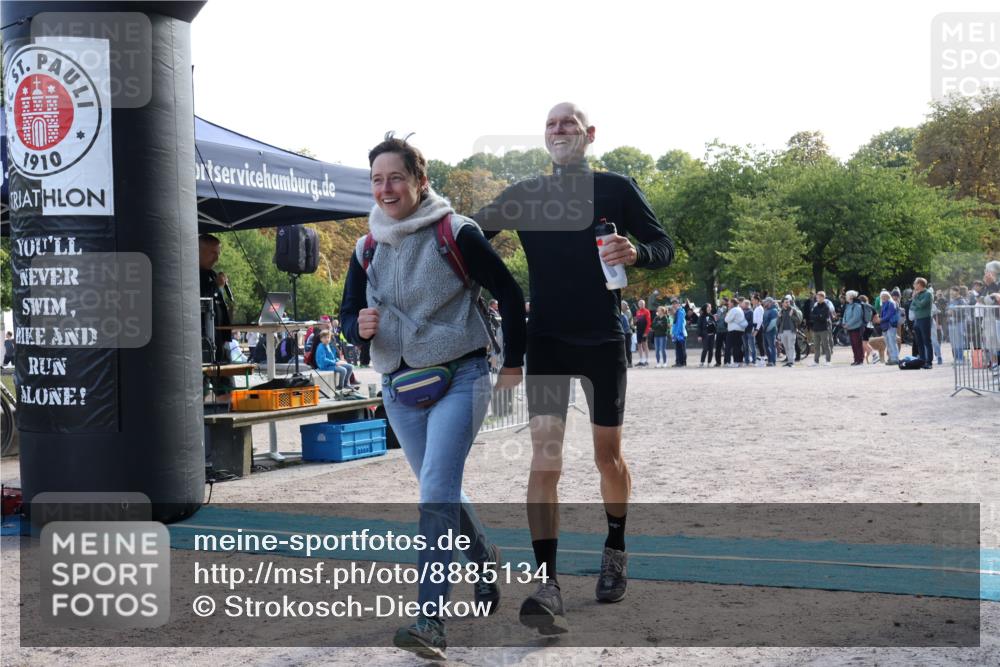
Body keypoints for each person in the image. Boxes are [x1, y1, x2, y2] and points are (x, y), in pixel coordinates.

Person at [474, 102, 674, 634]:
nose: (559, 130)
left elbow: (664, 246)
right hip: (547, 341)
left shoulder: (617, 188)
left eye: (568, 123)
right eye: (550, 124)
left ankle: (615, 549)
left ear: (588, 134)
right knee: (545, 460)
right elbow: (466, 238)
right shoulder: (527, 194)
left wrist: (638, 252)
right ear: (546, 138)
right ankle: (548, 582)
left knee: (608, 457)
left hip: (603, 339)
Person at [340, 134, 527, 660]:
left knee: (435, 492)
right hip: (399, 387)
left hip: (462, 375)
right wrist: (360, 326)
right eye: (377, 179)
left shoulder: (456, 231)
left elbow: (509, 293)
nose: (386, 188)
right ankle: (484, 553)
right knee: (436, 487)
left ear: (420, 180)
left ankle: (430, 619)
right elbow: (348, 312)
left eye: (395, 177)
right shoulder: (366, 246)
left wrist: (512, 363)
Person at [198, 234, 234, 365]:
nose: (217, 258)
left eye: (218, 253)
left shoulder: (212, 274)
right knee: (204, 381)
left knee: (228, 381)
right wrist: (216, 286)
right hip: (204, 342)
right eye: (213, 253)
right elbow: (200, 299)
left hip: (220, 339)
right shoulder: (190, 273)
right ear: (198, 251)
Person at [910, 277, 934, 369]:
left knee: (926, 341)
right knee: (919, 342)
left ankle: (929, 362)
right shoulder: (918, 294)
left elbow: (921, 305)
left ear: (919, 284)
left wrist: (915, 298)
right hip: (917, 320)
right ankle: (922, 361)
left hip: (925, 319)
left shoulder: (928, 294)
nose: (914, 285)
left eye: (915, 283)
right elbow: (912, 307)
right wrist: (916, 301)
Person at [810, 291, 834, 366]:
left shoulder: (826, 307)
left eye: (819, 297)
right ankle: (816, 361)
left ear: (823, 297)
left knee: (826, 345)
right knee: (816, 346)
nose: (817, 298)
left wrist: (817, 316)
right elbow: (812, 316)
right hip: (816, 328)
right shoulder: (816, 307)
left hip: (824, 329)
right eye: (817, 297)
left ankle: (828, 361)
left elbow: (823, 317)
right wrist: (818, 316)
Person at [776, 295, 801, 367]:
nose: (788, 303)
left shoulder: (793, 310)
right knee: (786, 347)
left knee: (791, 346)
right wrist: (779, 317)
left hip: (791, 331)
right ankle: (789, 361)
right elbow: (777, 323)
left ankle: (792, 362)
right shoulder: (781, 311)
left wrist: (791, 316)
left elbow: (798, 320)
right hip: (783, 332)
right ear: (782, 303)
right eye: (786, 302)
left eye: (789, 302)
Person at [842, 290, 865, 366]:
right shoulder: (848, 305)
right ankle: (856, 359)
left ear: (851, 297)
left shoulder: (857, 306)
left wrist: (847, 324)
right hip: (850, 328)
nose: (846, 297)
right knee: (853, 344)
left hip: (856, 328)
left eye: (847, 296)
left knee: (857, 344)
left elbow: (856, 317)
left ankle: (860, 360)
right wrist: (844, 322)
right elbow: (845, 315)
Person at [724, 297, 747, 368]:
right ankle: (738, 361)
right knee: (738, 346)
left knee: (729, 346)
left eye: (730, 302)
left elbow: (727, 320)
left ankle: (728, 362)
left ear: (733, 303)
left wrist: (727, 314)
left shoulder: (733, 310)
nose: (728, 303)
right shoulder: (740, 309)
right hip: (740, 330)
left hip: (733, 331)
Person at [761, 297, 779, 366]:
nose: (764, 303)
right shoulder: (766, 310)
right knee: (766, 347)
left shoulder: (774, 310)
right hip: (765, 331)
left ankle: (773, 362)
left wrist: (767, 329)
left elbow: (773, 322)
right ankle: (769, 360)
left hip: (771, 332)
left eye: (766, 302)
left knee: (772, 346)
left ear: (770, 302)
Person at [633, 299, 652, 367]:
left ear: (644, 304)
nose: (641, 305)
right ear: (638, 305)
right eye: (640, 304)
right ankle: (641, 360)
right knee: (639, 345)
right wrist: (635, 321)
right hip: (639, 330)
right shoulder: (637, 312)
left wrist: (646, 332)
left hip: (644, 330)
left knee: (645, 345)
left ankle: (647, 360)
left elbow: (649, 322)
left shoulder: (647, 311)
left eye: (642, 304)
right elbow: (636, 322)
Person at [698, 302, 717, 367]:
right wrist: (699, 335)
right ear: (705, 308)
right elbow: (699, 327)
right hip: (705, 335)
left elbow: (715, 326)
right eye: (708, 307)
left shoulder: (712, 316)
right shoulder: (701, 317)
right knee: (705, 349)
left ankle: (709, 362)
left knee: (711, 350)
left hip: (712, 335)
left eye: (710, 307)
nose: (710, 308)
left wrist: (715, 332)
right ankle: (702, 362)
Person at [670, 299, 687, 366]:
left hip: (681, 333)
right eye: (673, 304)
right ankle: (678, 362)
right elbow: (674, 324)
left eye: (675, 303)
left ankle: (682, 362)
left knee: (682, 349)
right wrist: (674, 333)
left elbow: (680, 324)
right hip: (676, 333)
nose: (674, 305)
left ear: (679, 304)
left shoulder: (680, 312)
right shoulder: (676, 312)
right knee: (677, 349)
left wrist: (677, 333)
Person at [620, 300, 634, 368]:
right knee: (624, 349)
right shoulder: (621, 313)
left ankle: (630, 362)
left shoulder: (626, 313)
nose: (621, 306)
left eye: (622, 305)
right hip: (624, 333)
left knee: (628, 348)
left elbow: (627, 324)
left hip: (627, 333)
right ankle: (626, 362)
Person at [714, 299, 728, 366]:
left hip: (725, 330)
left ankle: (726, 362)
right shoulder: (719, 308)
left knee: (726, 347)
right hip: (719, 330)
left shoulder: (726, 308)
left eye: (723, 300)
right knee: (718, 347)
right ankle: (718, 362)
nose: (721, 301)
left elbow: (719, 317)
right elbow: (717, 318)